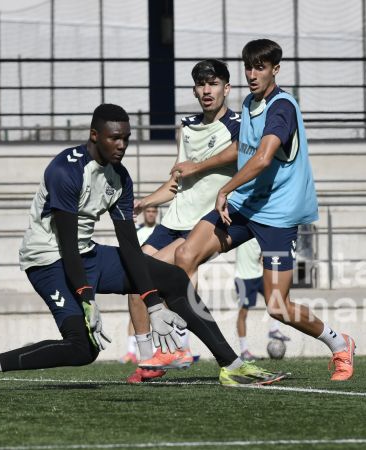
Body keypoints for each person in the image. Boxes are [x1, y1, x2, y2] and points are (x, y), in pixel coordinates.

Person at [0, 104, 287, 392]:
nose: (122, 145)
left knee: (172, 278)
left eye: (126, 138)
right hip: (48, 261)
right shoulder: (65, 170)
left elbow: (129, 246)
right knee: (82, 349)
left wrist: (154, 304)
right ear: (94, 136)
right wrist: (87, 298)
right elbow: (66, 244)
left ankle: (230, 365)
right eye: (114, 138)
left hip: (87, 254)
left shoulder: (121, 178)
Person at [174, 39, 356, 381]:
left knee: (277, 306)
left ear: (275, 69)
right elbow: (242, 150)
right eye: (249, 67)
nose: (252, 74)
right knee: (185, 256)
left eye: (260, 67)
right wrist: (203, 169)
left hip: (277, 216)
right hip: (246, 205)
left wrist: (225, 188)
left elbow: (262, 158)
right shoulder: (249, 102)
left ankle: (339, 343)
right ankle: (190, 344)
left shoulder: (282, 107)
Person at [127, 59, 240, 382]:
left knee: (178, 268)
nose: (207, 90)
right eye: (201, 85)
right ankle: (148, 360)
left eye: (213, 84)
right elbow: (176, 181)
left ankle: (179, 345)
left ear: (226, 88)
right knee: (134, 281)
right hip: (172, 221)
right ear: (194, 90)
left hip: (201, 223)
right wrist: (145, 202)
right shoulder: (187, 127)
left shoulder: (237, 125)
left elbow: (241, 153)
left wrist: (198, 166)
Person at [233, 238, 290, 362]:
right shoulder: (243, 231)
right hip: (243, 278)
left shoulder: (262, 235)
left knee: (276, 296)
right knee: (243, 313)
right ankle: (244, 351)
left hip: (259, 275)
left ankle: (274, 329)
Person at [121, 205, 162, 364]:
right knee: (135, 312)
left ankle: (157, 350)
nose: (151, 214)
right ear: (144, 213)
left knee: (156, 312)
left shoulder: (160, 232)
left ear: (157, 213)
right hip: (138, 274)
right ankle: (131, 352)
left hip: (156, 274)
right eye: (148, 211)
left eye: (153, 211)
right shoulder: (137, 231)